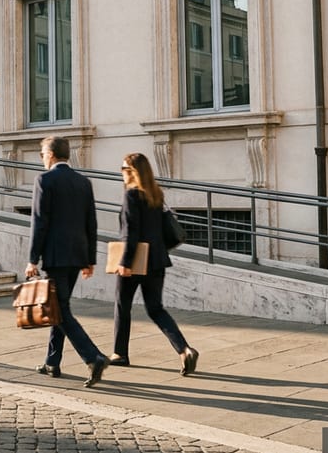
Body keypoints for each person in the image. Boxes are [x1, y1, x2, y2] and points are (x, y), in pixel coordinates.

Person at [26, 136, 111, 388]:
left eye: (42, 153)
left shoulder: (44, 180)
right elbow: (91, 223)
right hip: (77, 255)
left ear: (51, 155)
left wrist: (32, 259)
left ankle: (93, 356)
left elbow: (39, 223)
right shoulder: (83, 182)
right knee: (58, 306)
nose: (41, 157)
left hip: (55, 256)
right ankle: (52, 361)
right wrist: (90, 259)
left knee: (59, 311)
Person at [110, 152, 199, 375]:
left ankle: (120, 354)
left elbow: (131, 232)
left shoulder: (131, 195)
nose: (121, 173)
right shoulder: (156, 195)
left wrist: (125, 262)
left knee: (122, 305)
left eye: (124, 169)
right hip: (158, 260)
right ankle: (184, 349)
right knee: (156, 309)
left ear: (133, 172)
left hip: (136, 261)